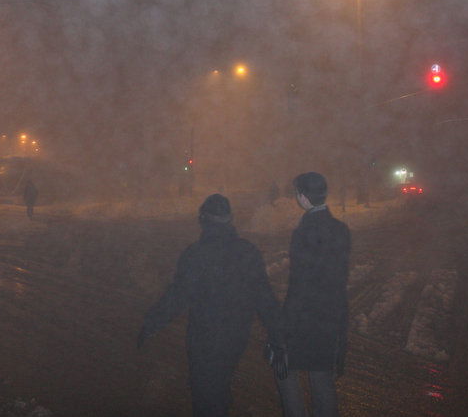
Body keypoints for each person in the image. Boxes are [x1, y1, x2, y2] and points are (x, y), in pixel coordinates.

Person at [138, 194, 280, 417]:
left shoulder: (196, 254)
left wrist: (152, 321)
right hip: (236, 334)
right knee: (219, 382)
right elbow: (263, 296)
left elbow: (178, 295)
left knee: (205, 391)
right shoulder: (247, 252)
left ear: (203, 220)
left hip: (205, 334)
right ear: (229, 219)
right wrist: (276, 332)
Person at [277, 172, 350, 417]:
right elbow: (339, 279)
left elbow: (299, 284)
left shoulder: (304, 232)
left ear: (303, 197)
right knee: (322, 379)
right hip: (330, 316)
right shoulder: (341, 230)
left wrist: (284, 326)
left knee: (284, 370)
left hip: (306, 318)